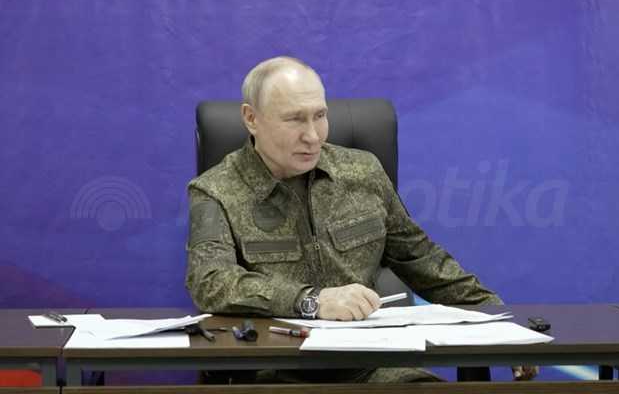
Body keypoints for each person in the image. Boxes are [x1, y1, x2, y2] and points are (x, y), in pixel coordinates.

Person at [186, 56, 537, 382]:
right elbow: (211, 282)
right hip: (277, 370)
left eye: (319, 116)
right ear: (251, 118)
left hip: (372, 365)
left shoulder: (362, 171)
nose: (312, 136)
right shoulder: (215, 190)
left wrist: (499, 321)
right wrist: (312, 301)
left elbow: (423, 260)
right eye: (294, 119)